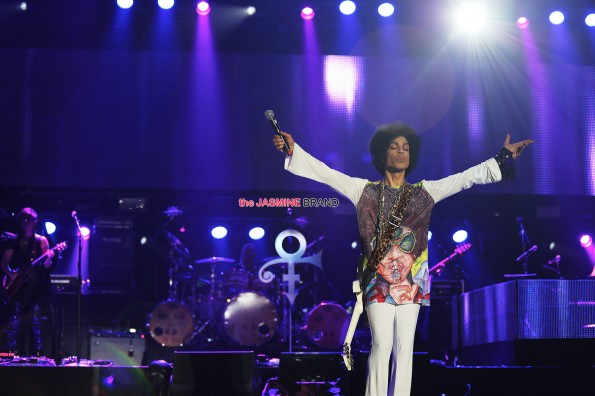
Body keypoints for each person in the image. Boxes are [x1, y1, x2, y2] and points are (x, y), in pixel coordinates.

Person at [273, 122, 533, 395]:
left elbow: (466, 177)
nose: (401, 152)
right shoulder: (362, 190)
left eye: (406, 148)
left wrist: (502, 157)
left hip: (413, 281)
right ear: (381, 154)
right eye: (394, 147)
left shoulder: (425, 192)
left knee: (404, 348)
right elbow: (325, 173)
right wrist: (293, 151)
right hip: (377, 281)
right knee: (381, 344)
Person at [1, 207, 56, 357]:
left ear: (35, 221)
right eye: (23, 218)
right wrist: (11, 275)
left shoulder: (41, 241)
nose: (26, 221)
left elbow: (46, 265)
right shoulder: (13, 241)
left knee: (35, 323)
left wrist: (49, 258)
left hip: (36, 289)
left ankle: (36, 356)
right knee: (15, 323)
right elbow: (4, 263)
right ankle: (14, 355)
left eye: (29, 218)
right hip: (18, 290)